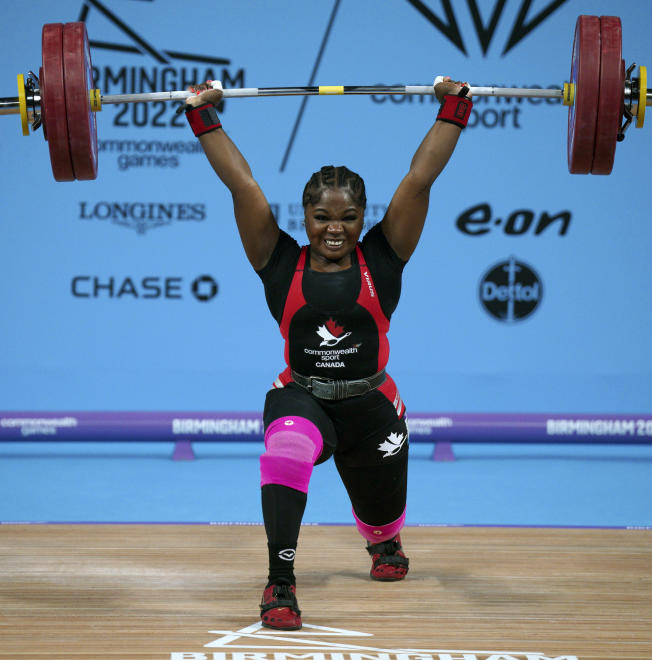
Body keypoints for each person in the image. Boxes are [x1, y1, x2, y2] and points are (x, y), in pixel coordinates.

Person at [181, 75, 473, 630]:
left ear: (363, 218)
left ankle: (384, 543)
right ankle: (280, 584)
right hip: (302, 395)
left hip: (371, 405)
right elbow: (242, 186)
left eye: (347, 218)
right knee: (285, 452)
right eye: (322, 218)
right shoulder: (277, 259)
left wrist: (454, 110)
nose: (335, 229)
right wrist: (203, 116)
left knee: (381, 518)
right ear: (304, 218)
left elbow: (421, 178)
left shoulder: (383, 259)